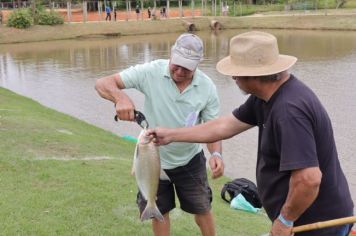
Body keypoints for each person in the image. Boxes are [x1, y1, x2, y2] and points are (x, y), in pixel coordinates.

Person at [147, 31, 354, 236]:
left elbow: (309, 179)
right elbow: (223, 126)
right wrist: (172, 135)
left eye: (236, 72)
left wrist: (284, 219)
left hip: (319, 225)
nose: (234, 77)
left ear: (255, 75)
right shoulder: (264, 98)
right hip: (297, 220)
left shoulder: (289, 111)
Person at [95, 33, 224, 236]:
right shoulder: (151, 71)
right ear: (171, 55)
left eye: (187, 67)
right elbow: (103, 83)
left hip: (190, 160)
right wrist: (119, 97)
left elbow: (213, 129)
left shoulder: (207, 87)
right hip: (152, 160)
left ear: (198, 64)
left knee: (202, 209)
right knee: (159, 211)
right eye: (177, 64)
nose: (180, 71)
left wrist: (216, 154)